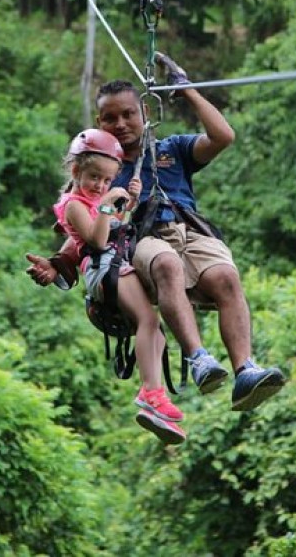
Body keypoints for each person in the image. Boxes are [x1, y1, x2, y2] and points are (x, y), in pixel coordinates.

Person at [27, 53, 286, 411]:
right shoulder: (102, 173)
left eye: (128, 114)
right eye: (110, 118)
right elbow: (86, 227)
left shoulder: (173, 150)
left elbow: (223, 136)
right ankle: (198, 358)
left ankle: (245, 370)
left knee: (226, 275)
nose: (120, 123)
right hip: (140, 239)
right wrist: (60, 263)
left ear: (145, 114)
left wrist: (188, 91)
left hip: (188, 230)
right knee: (166, 264)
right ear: (99, 124)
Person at [55, 128, 187, 444]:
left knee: (154, 327)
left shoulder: (98, 198)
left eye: (106, 180)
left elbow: (118, 225)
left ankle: (155, 397)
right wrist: (106, 204)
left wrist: (127, 202)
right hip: (103, 268)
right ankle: (150, 393)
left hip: (115, 265)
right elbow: (97, 240)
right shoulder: (74, 203)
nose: (100, 185)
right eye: (94, 178)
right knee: (147, 320)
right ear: (76, 171)